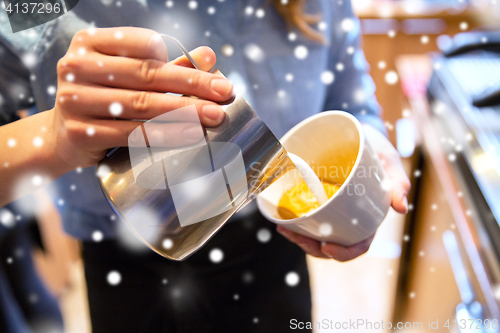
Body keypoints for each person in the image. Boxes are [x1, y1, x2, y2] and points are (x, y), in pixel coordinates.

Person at [0, 0, 411, 331]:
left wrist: (370, 156)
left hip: (276, 248)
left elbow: (351, 100)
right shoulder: (39, 8)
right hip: (131, 267)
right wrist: (54, 137)